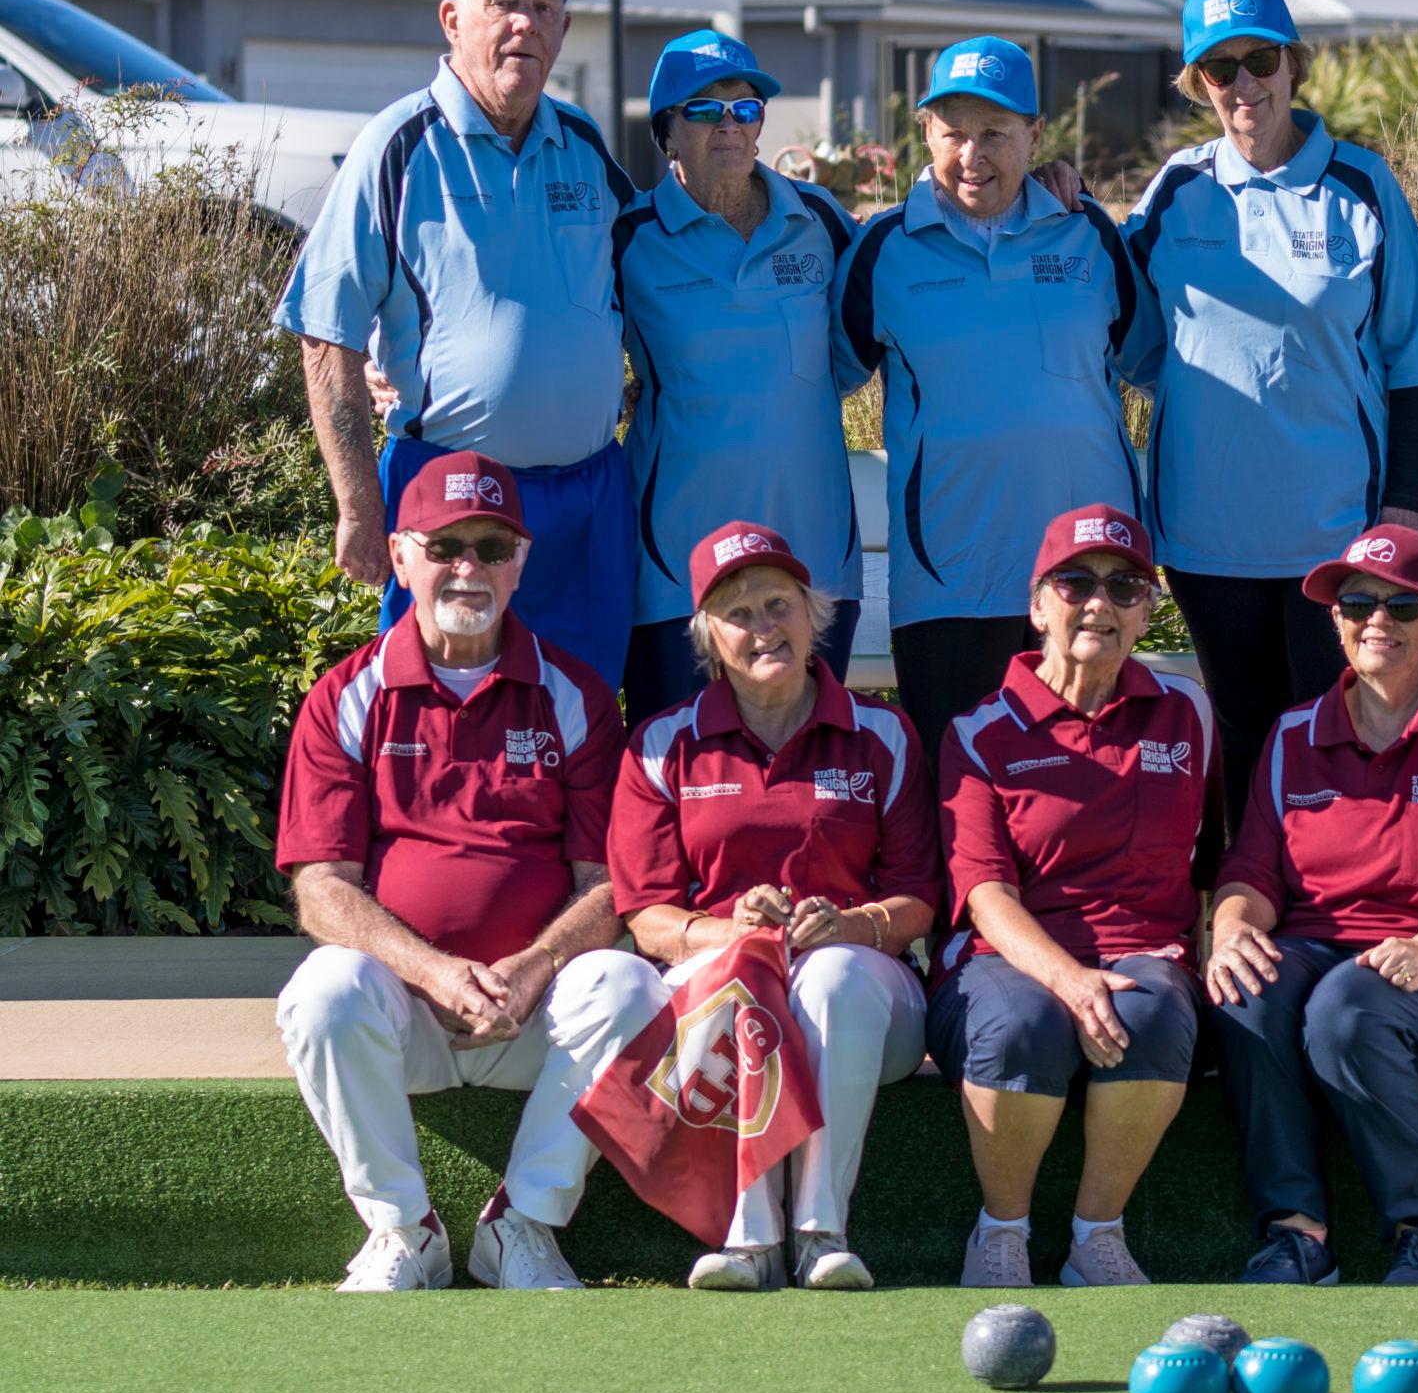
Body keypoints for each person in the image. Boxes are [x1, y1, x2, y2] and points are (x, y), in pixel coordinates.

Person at [272, 451, 658, 1292]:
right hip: (405, 1011)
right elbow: (322, 887)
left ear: (520, 562)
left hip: (533, 1016)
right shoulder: (347, 694)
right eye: (444, 545)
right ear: (401, 556)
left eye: (490, 545)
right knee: (320, 990)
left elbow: (609, 885)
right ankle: (403, 1229)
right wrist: (435, 972)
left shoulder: (577, 696)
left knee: (630, 987)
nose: (467, 567)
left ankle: (521, 1225)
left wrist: (529, 970)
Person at [1123, 0, 1418, 829]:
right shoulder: (1174, 191)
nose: (1243, 86)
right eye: (1218, 69)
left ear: (1294, 65)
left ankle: (1336, 911)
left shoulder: (1362, 186)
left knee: (1332, 728)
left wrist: (1404, 510)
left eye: (1259, 60)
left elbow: (1413, 358)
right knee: (1241, 729)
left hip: (1335, 532)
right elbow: (1129, 333)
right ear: (1199, 85)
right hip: (1205, 529)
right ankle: (1249, 920)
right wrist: (1057, 203)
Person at [278, 0, 638, 688]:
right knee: (444, 723)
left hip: (587, 503)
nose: (524, 25)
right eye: (504, 2)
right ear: (452, 20)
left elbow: (646, 284)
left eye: (544, 8)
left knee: (582, 727)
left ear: (565, 30)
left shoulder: (584, 143)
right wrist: (357, 505)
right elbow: (324, 331)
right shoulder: (397, 146)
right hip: (452, 501)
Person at [610, 522, 938, 1290]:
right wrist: (733, 930)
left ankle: (821, 1230)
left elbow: (922, 897)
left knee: (829, 977)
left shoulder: (883, 732)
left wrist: (853, 924)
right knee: (745, 971)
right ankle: (750, 1235)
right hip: (715, 986)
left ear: (812, 613)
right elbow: (646, 914)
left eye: (778, 604)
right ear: (708, 637)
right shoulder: (662, 742)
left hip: (861, 997)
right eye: (740, 613)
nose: (764, 627)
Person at [843, 38, 1156, 774]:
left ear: (1036, 135)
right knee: (958, 799)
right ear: (925, 134)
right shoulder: (883, 249)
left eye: (995, 133)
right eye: (953, 132)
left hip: (1087, 581)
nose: (971, 155)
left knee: (1086, 794)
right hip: (950, 580)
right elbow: (813, 379)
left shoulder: (1090, 233)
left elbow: (1158, 363)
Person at [1203, 525, 1418, 1287]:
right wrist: (1232, 924)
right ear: (1334, 620)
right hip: (1318, 950)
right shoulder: (1291, 733)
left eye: (1402, 604)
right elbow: (1252, 870)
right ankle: (1296, 1231)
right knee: (1245, 991)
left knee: (1344, 1007)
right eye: (1356, 602)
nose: (1376, 619)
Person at [931, 504, 1218, 1289]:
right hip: (1007, 956)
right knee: (1023, 1023)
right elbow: (984, 891)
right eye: (1075, 582)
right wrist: (1068, 979)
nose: (1100, 602)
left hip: (1144, 951)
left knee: (1151, 1010)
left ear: (1149, 609)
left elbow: (1217, 857)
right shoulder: (981, 730)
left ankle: (1097, 1235)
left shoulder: (1187, 710)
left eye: (1126, 585)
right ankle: (1003, 1231)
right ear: (1036, 604)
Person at [617, 32, 869, 720]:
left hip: (814, 562)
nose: (728, 124)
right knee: (681, 779)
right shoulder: (627, 239)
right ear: (667, 132)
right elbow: (563, 341)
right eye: (703, 110)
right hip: (675, 571)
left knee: (809, 780)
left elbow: (871, 336)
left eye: (744, 107)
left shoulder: (820, 221)